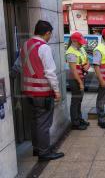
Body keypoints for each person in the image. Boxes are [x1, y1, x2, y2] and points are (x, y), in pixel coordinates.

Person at [20, 20, 64, 161]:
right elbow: (50, 72)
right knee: (44, 124)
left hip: (28, 91)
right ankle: (44, 152)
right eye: (50, 34)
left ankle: (37, 149)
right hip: (42, 92)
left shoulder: (26, 45)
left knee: (35, 121)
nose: (50, 37)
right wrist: (57, 91)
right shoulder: (44, 47)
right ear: (47, 33)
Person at [66, 32, 90, 130]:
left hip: (82, 77)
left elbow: (87, 60)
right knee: (75, 101)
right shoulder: (70, 52)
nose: (82, 44)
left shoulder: (81, 49)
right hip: (75, 80)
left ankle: (79, 119)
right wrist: (80, 83)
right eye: (80, 42)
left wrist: (86, 66)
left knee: (79, 100)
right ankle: (75, 123)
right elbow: (74, 71)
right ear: (74, 41)